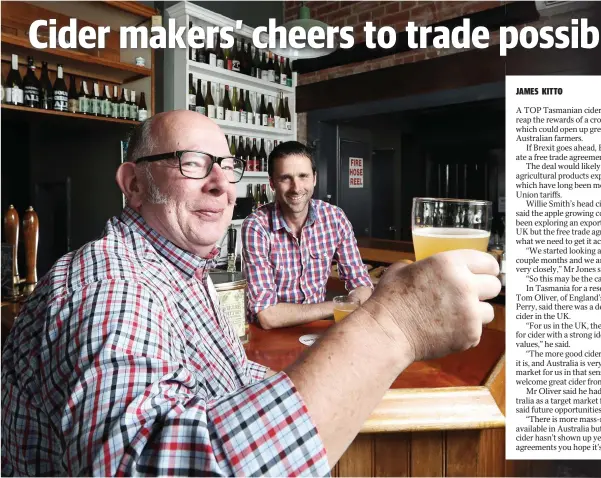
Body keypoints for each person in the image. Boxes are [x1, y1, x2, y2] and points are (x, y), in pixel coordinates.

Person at [1, 111, 501, 477]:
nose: (222, 184)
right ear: (132, 183)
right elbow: (145, 464)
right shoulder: (113, 284)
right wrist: (394, 325)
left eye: (226, 164)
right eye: (193, 163)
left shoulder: (181, 271)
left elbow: (236, 377)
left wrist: (350, 372)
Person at [242, 141, 373, 329]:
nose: (296, 187)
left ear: (314, 179)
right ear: (272, 183)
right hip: (268, 337)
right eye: (286, 178)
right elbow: (267, 315)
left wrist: (357, 298)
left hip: (314, 330)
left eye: (303, 176)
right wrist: (339, 306)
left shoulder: (334, 218)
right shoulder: (257, 226)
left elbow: (361, 283)